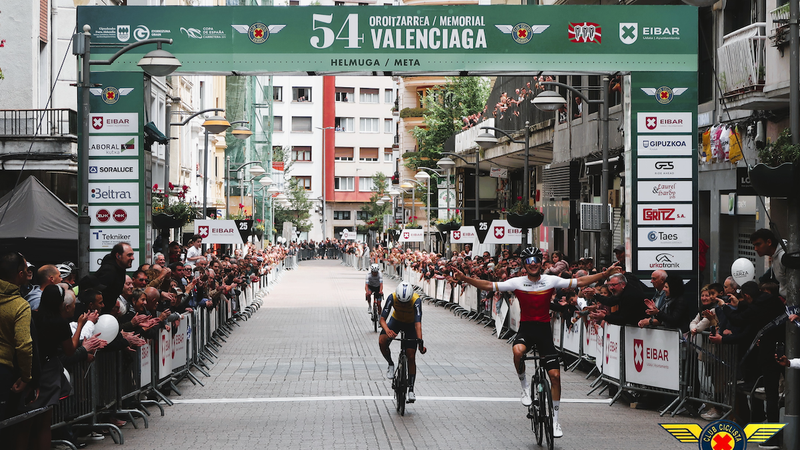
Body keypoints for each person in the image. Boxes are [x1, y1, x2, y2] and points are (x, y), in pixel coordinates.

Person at [450, 247, 620, 438]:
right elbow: (489, 286)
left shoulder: (551, 280)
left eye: (536, 260)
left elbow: (579, 281)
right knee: (517, 352)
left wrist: (604, 274)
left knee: (555, 376)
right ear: (524, 264)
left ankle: (555, 422)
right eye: (529, 260)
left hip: (544, 332)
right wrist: (465, 279)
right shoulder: (517, 282)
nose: (533, 263)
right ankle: (524, 389)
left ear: (540, 263)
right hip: (527, 330)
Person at [378, 281, 427, 403]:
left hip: (411, 325)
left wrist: (420, 342)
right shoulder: (392, 297)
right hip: (396, 321)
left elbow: (417, 324)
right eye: (401, 303)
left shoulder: (416, 301)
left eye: (406, 303)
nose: (404, 305)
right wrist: (388, 330)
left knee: (411, 356)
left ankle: (411, 389)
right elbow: (382, 319)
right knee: (382, 341)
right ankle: (390, 363)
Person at [0, 252, 33, 420]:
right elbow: (24, 345)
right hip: (3, 368)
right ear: (20, 274)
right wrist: (26, 376)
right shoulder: (20, 306)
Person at [94, 242, 135, 314]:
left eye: (132, 255)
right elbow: (100, 294)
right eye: (129, 255)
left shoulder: (120, 269)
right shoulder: (109, 271)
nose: (132, 258)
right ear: (118, 256)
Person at [750, 229, 788, 298]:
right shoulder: (775, 255)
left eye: (758, 244)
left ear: (769, 242)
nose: (755, 249)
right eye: (754, 245)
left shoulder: (783, 256)